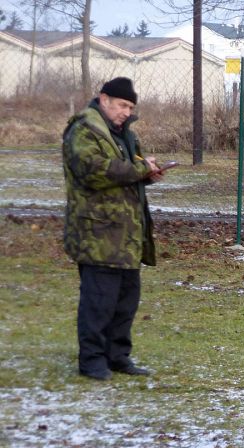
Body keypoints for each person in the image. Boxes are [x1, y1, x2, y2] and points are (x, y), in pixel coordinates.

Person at [62, 77, 165, 381]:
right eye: (122, 105)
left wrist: (148, 173)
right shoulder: (84, 130)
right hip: (98, 234)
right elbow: (94, 170)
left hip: (126, 235)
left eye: (130, 107)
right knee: (98, 302)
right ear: (104, 99)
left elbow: (130, 169)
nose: (125, 111)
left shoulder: (124, 135)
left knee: (125, 301)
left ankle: (118, 356)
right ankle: (92, 360)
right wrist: (139, 169)